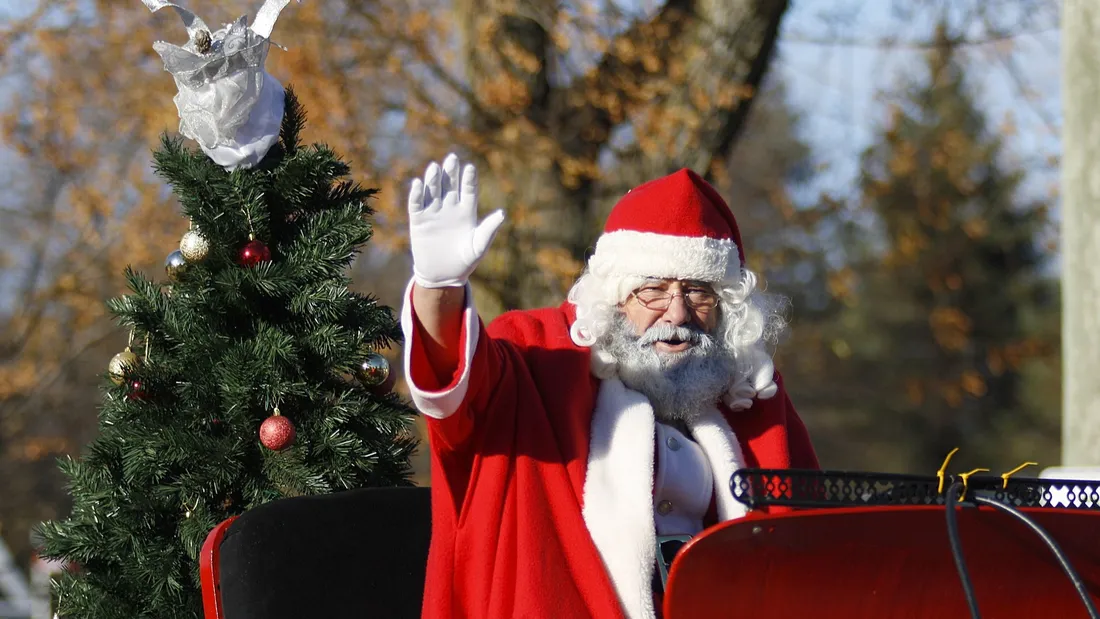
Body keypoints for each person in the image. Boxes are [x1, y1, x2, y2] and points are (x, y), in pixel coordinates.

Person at [401, 153, 820, 619]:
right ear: (616, 299)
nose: (677, 314)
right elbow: (456, 384)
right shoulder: (539, 360)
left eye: (699, 292)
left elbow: (818, 553)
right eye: (653, 290)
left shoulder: (752, 397)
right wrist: (439, 288)